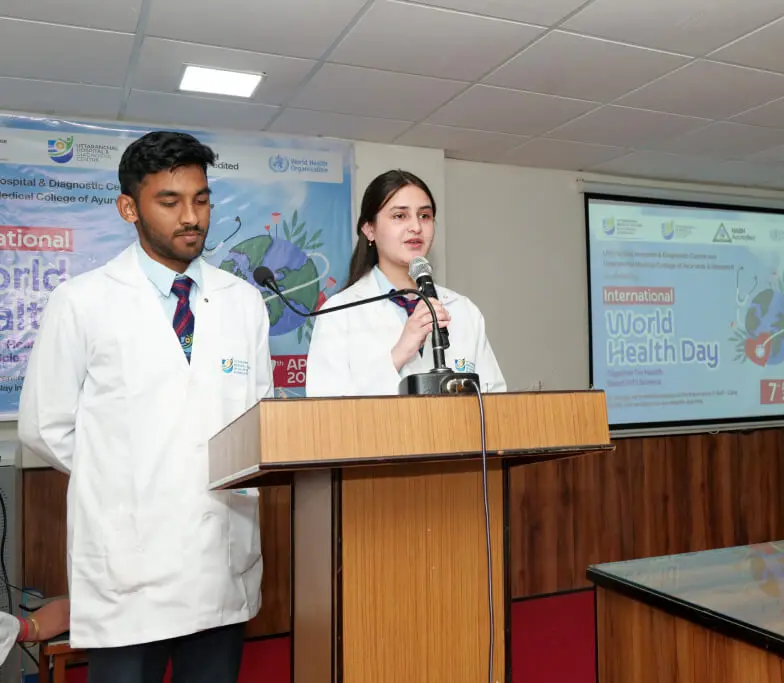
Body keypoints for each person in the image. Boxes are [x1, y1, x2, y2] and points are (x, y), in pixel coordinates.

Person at [17, 131, 273, 683]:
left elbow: (259, 418)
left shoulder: (243, 302)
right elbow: (44, 426)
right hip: (129, 566)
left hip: (219, 561)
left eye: (201, 200)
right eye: (170, 201)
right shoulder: (82, 302)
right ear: (129, 208)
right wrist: (126, 476)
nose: (192, 217)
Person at [305, 169, 505, 397]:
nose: (416, 227)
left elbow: (494, 398)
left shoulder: (462, 309)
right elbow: (324, 409)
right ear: (369, 229)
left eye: (424, 216)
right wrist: (400, 352)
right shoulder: (339, 313)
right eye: (400, 216)